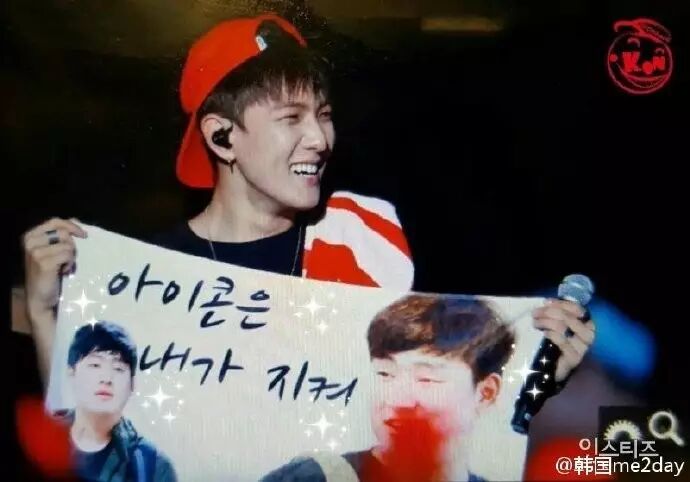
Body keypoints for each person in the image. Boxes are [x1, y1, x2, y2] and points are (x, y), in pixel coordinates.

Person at [21, 11, 594, 424]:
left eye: (323, 114)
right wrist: (48, 315)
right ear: (222, 137)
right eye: (291, 117)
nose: (320, 138)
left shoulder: (368, 242)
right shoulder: (150, 274)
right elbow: (90, 443)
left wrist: (533, 378)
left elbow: (426, 408)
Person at [261, 294, 517, 481]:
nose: (397, 399)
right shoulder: (314, 477)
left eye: (427, 378)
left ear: (485, 393)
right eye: (385, 373)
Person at [57, 320, 177, 481]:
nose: (107, 378)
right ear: (71, 373)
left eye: (118, 369)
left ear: (132, 384)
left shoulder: (153, 467)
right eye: (95, 365)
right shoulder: (39, 437)